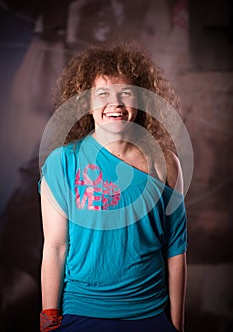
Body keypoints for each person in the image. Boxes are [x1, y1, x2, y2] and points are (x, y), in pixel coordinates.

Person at [39, 42, 187, 332]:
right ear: (85, 103)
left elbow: (176, 250)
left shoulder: (166, 163)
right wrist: (48, 322)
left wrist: (178, 325)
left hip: (149, 313)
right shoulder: (63, 163)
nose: (115, 104)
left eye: (126, 94)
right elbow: (55, 248)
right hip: (81, 311)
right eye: (103, 94)